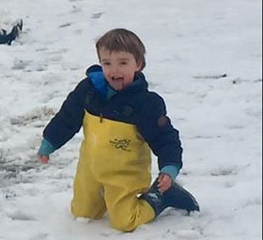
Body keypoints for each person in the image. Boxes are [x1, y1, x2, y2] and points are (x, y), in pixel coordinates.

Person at [37, 28, 199, 232]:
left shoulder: (145, 104)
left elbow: (165, 137)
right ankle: (105, 198)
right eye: (107, 63)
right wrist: (49, 143)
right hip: (91, 169)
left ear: (138, 64)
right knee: (82, 212)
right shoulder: (88, 91)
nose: (114, 70)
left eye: (123, 63)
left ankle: (162, 197)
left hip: (124, 173)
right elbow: (66, 118)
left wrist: (169, 167)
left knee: (125, 221)